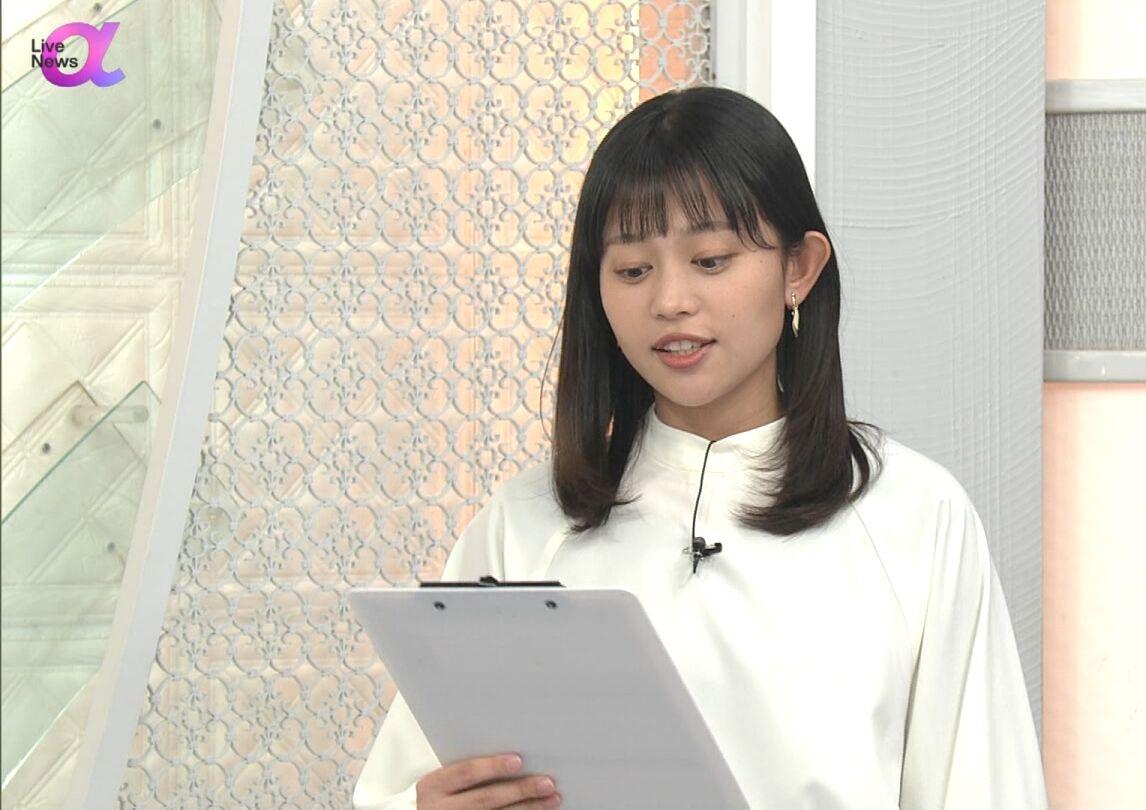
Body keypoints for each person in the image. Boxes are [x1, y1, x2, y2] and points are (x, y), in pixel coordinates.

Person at [353, 85, 1048, 810]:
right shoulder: (527, 523)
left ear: (799, 268)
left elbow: (988, 790)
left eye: (711, 259)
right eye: (632, 270)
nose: (670, 301)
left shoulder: (913, 517)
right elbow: (398, 790)